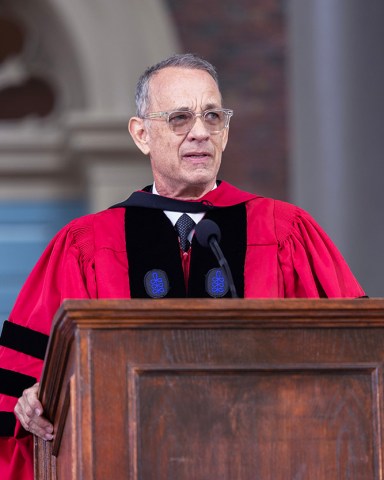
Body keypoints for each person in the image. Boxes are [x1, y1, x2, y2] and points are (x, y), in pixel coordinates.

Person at [0, 53, 365, 479]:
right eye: (179, 118)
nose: (200, 133)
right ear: (142, 135)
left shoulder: (286, 232)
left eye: (213, 117)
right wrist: (32, 399)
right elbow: (24, 392)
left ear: (226, 132)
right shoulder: (86, 245)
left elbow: (352, 367)